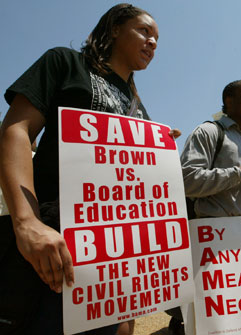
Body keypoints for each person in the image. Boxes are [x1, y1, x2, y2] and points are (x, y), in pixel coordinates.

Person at [0, 4, 179, 334]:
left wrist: (160, 153)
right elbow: (16, 130)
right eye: (144, 31)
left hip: (114, 258)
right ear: (114, 30)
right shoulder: (66, 63)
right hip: (55, 244)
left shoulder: (140, 110)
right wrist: (27, 222)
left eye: (157, 38)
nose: (152, 42)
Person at [172, 80, 241, 334]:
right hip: (213, 242)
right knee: (212, 316)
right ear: (229, 101)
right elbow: (186, 180)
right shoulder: (208, 132)